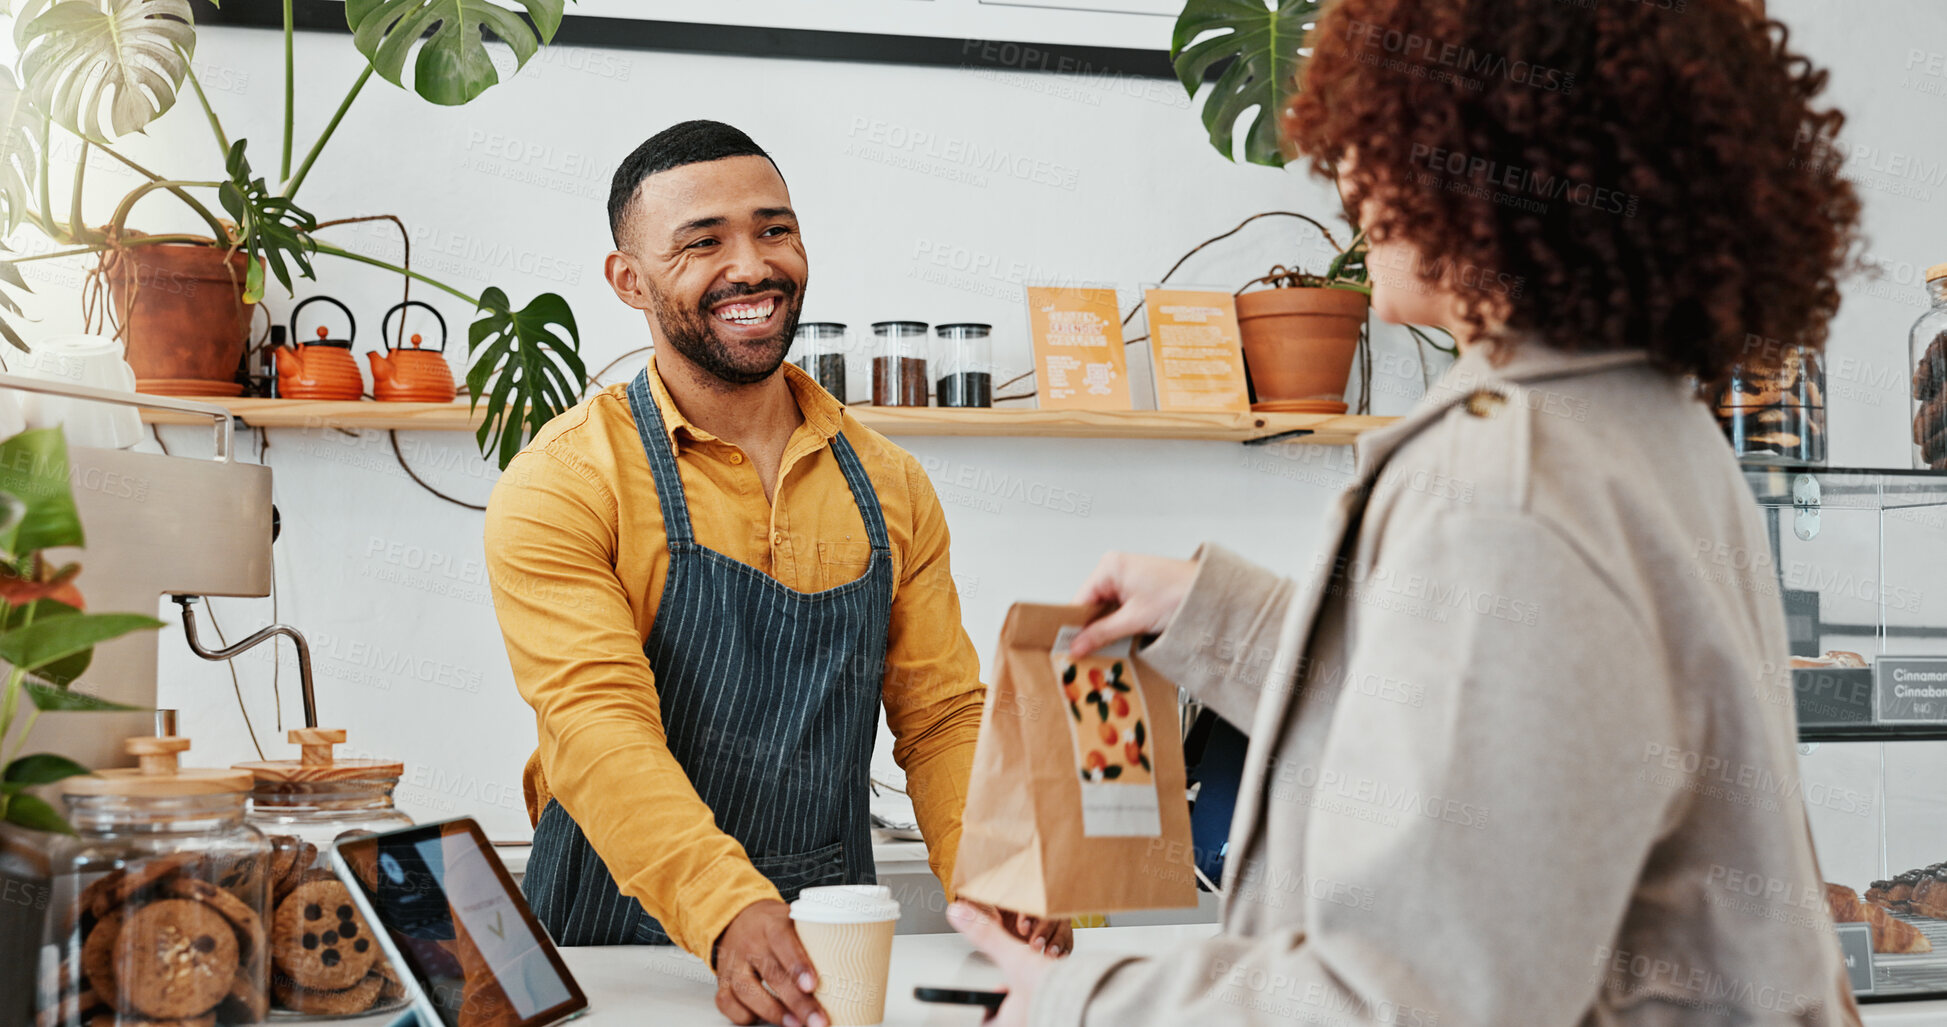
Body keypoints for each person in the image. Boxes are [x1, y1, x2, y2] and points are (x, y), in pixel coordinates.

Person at [952, 0, 1864, 1024]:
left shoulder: (1506, 475)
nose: (1349, 180)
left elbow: (1417, 997)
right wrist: (1221, 615)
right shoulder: (1648, 428)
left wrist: (1079, 997)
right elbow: (1508, 753)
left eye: (1371, 134)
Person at [485, 120, 1067, 1027]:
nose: (751, 266)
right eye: (702, 241)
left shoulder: (888, 482)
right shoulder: (565, 481)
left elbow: (943, 714)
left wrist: (993, 871)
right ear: (628, 280)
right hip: (612, 940)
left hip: (830, 940)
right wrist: (726, 911)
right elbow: (597, 726)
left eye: (774, 230)